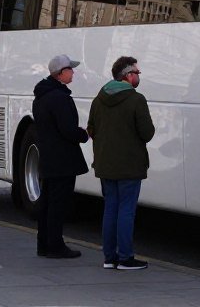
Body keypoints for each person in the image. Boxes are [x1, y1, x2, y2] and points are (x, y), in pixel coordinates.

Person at [87, 56, 155, 271]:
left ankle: (109, 257)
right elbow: (147, 133)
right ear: (127, 75)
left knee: (110, 209)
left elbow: (91, 129)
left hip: (105, 164)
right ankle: (125, 257)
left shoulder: (99, 98)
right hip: (129, 165)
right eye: (137, 72)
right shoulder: (136, 99)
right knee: (126, 210)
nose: (138, 76)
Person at [33, 54, 88, 259]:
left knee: (47, 202)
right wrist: (84, 134)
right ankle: (55, 244)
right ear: (60, 73)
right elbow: (68, 129)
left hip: (48, 156)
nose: (73, 72)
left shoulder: (42, 96)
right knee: (58, 204)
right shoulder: (60, 98)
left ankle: (44, 243)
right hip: (63, 158)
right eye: (70, 69)